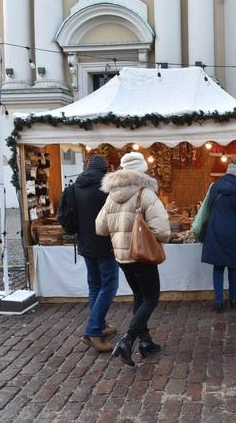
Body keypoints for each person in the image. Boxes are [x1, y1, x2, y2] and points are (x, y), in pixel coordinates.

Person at [96, 152, 171, 366]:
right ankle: (127, 340)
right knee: (151, 298)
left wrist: (119, 227)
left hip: (122, 256)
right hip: (142, 255)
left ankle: (145, 341)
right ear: (142, 170)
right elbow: (163, 230)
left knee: (139, 296)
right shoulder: (144, 194)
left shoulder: (112, 195)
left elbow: (99, 227)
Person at [73, 155, 119, 353]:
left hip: (85, 244)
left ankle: (99, 325)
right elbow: (114, 217)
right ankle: (92, 331)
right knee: (109, 286)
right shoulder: (105, 189)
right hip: (105, 245)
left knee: (95, 285)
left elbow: (65, 216)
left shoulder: (75, 187)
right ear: (105, 170)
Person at [201, 157, 236, 312]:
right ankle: (233, 299)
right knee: (233, 266)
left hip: (215, 229)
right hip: (233, 231)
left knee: (218, 266)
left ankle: (219, 301)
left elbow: (209, 206)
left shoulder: (215, 186)